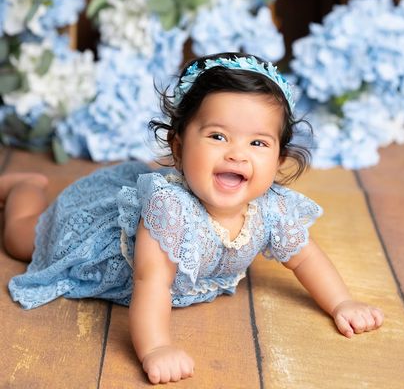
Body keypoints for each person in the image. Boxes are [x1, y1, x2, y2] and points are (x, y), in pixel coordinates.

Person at [2, 53, 383, 385]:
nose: (237, 154)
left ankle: (28, 188)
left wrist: (341, 303)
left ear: (280, 159)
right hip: (97, 250)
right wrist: (156, 347)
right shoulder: (170, 210)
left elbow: (306, 258)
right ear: (179, 145)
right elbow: (151, 282)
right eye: (218, 136)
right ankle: (24, 189)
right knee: (22, 240)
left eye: (258, 143)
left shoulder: (272, 208)